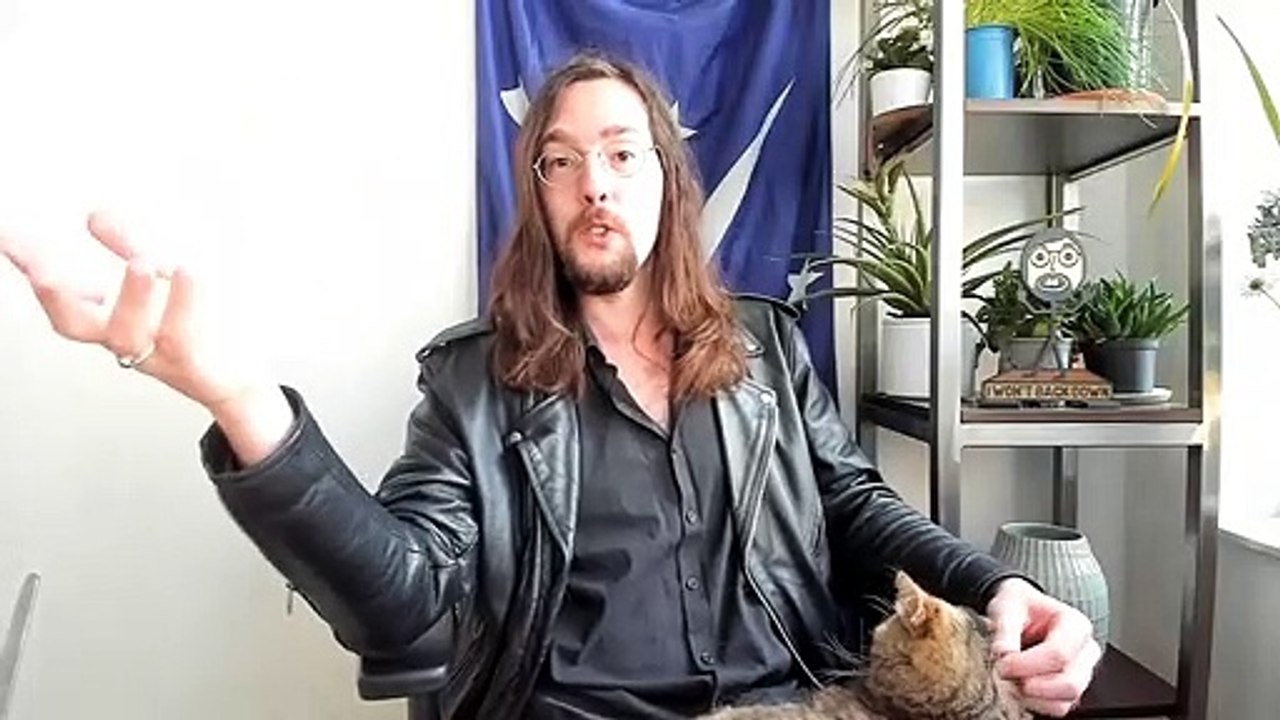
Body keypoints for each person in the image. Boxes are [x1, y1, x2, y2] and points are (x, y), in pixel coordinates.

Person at [0, 52, 1101, 719]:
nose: (592, 183)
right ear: (536, 194)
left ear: (667, 182)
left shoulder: (766, 344)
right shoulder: (470, 383)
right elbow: (407, 599)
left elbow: (854, 508)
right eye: (560, 160)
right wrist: (238, 396)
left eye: (621, 153)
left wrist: (995, 586)